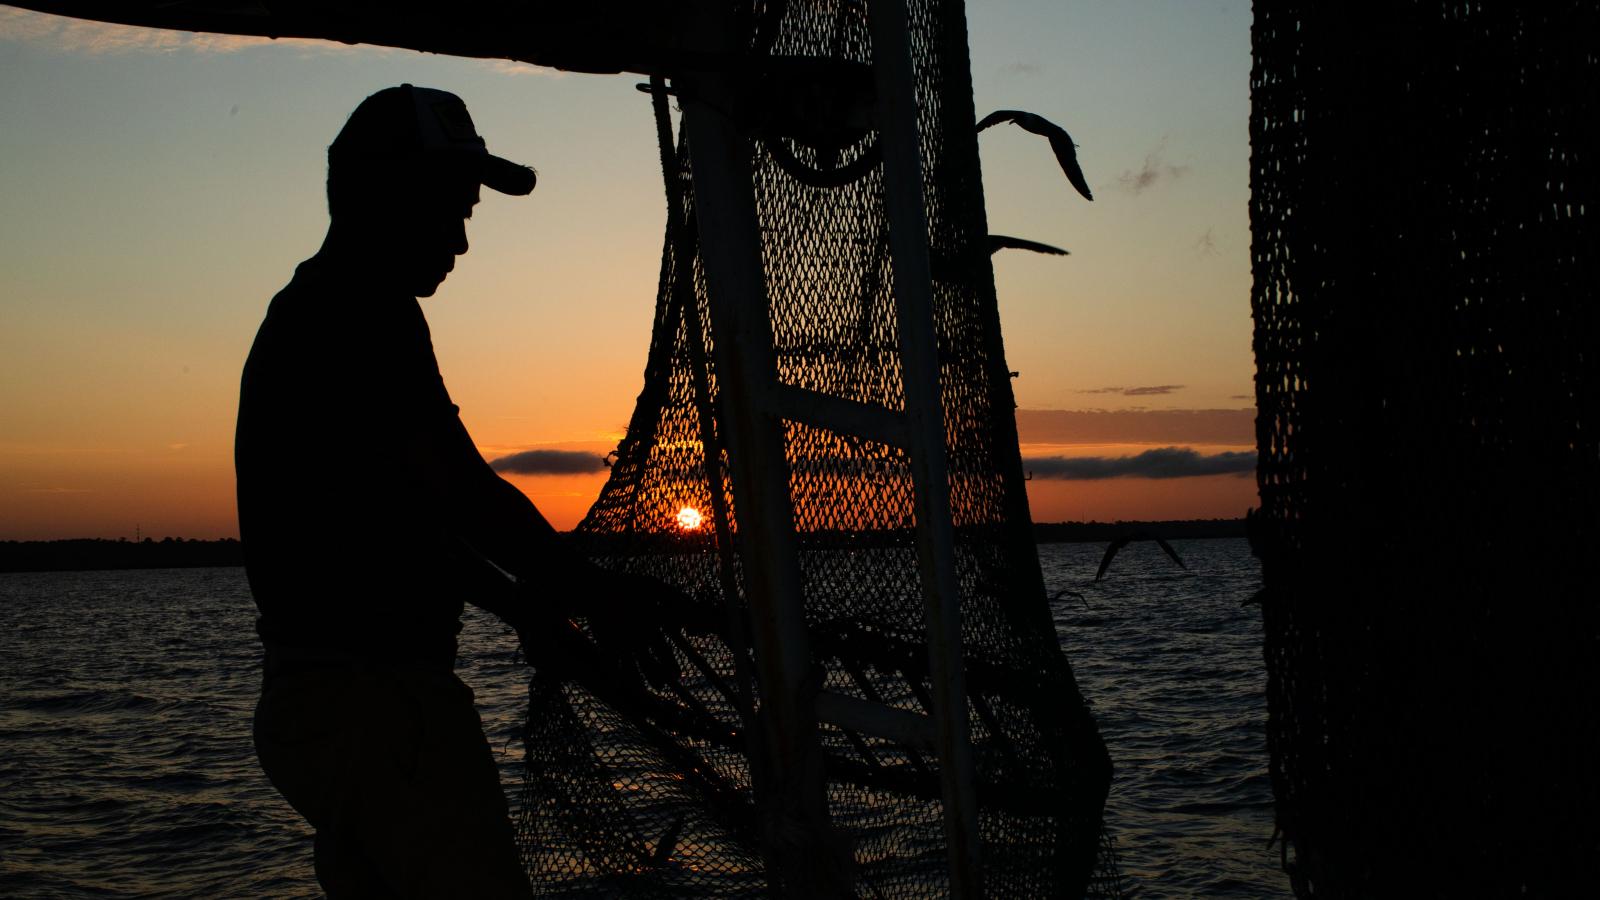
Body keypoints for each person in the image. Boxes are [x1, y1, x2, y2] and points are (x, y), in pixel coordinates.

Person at [235, 84, 677, 898]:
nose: (464, 241)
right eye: (453, 207)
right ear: (385, 192)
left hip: (319, 712)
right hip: (380, 711)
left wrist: (530, 606)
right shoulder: (360, 313)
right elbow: (464, 494)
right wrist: (592, 592)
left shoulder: (312, 310)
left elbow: (404, 521)